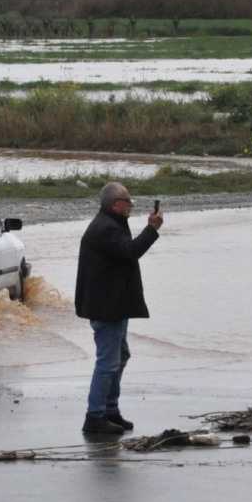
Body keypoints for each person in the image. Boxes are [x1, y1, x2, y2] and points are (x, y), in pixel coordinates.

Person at [75, 182, 163, 434]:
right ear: (115, 204)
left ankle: (110, 410)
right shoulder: (105, 228)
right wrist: (152, 229)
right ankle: (94, 416)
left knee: (120, 356)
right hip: (106, 307)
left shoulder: (111, 223)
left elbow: (125, 253)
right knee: (107, 362)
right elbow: (130, 251)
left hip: (113, 304)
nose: (131, 204)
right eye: (127, 201)